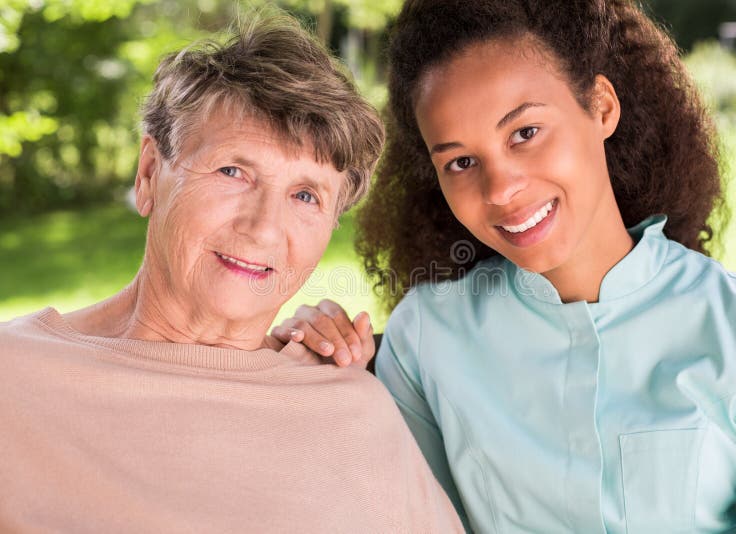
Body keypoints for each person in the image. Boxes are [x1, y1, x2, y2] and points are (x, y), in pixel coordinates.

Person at [272, 0, 736, 531]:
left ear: (601, 107)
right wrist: (326, 382)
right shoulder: (424, 340)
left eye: (525, 133)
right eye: (461, 162)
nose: (501, 190)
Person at [0, 14, 464, 533]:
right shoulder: (13, 380)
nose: (264, 229)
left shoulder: (352, 410)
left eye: (305, 195)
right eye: (233, 171)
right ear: (150, 173)